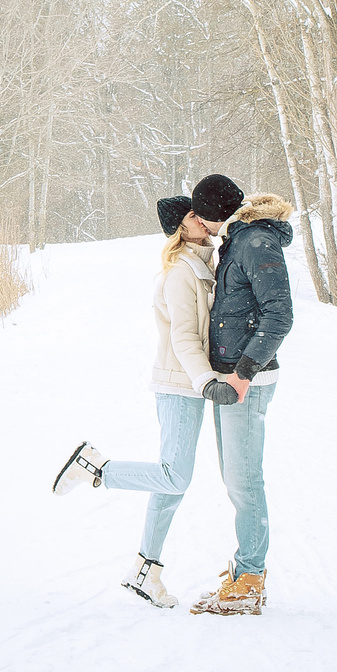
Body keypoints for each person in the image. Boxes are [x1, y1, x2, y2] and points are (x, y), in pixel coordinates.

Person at [50, 193, 225, 607]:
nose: (203, 220)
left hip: (188, 385)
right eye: (193, 216)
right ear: (181, 227)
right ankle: (94, 466)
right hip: (180, 385)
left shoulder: (203, 264)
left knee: (170, 486)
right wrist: (205, 381)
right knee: (175, 477)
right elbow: (184, 337)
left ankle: (146, 572)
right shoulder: (181, 273)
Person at [185, 174, 296, 617]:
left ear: (215, 212)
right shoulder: (239, 238)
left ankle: (250, 578)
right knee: (235, 477)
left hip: (245, 380)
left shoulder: (254, 243)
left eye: (200, 214)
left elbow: (280, 315)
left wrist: (244, 374)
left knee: (245, 480)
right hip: (231, 377)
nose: (200, 224)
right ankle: (244, 571)